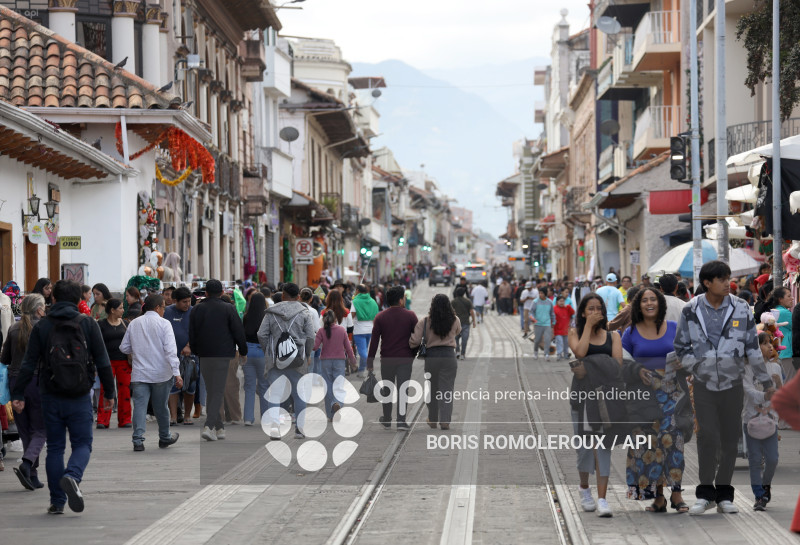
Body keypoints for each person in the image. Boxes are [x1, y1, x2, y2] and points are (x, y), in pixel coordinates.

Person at [673, 260, 775, 515]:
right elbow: (681, 346)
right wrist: (696, 367)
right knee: (707, 436)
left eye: (728, 278)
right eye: (721, 279)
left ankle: (724, 495)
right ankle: (705, 494)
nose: (727, 283)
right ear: (707, 282)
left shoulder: (740, 307)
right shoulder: (691, 309)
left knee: (730, 439)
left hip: (733, 384)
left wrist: (765, 381)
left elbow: (752, 347)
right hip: (704, 384)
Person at [11, 280, 116, 515]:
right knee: (82, 444)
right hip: (79, 395)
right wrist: (109, 393)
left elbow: (28, 363)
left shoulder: (43, 326)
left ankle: (57, 501)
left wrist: (18, 393)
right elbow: (103, 360)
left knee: (56, 448)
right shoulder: (88, 323)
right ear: (80, 300)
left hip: (50, 394)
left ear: (54, 300)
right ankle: (73, 476)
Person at [621, 287, 689, 513]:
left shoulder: (672, 328)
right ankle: (659, 497)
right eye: (644, 300)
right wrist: (637, 370)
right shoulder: (630, 333)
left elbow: (688, 353)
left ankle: (677, 495)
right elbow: (621, 362)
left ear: (660, 303)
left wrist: (682, 362)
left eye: (653, 299)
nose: (649, 303)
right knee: (653, 445)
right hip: (644, 396)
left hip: (672, 393)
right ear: (637, 306)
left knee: (674, 441)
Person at [567, 293, 622, 518]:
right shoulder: (575, 333)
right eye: (590, 309)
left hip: (605, 399)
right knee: (584, 447)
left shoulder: (613, 336)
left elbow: (617, 366)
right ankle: (584, 488)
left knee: (603, 447)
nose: (595, 312)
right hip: (581, 399)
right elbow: (579, 351)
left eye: (598, 308)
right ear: (582, 312)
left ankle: (602, 498)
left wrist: (589, 365)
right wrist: (588, 327)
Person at [119, 294, 181, 451]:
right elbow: (170, 351)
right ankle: (165, 437)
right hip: (161, 373)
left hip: (140, 372)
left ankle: (138, 440)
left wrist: (139, 348)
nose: (164, 311)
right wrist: (177, 372)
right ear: (157, 308)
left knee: (140, 406)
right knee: (161, 407)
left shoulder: (134, 324)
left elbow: (124, 347)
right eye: (163, 308)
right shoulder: (164, 324)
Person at [189, 279, 248, 442]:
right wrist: (243, 351)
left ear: (205, 293)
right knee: (217, 390)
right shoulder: (228, 308)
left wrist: (195, 350)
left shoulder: (197, 309)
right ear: (222, 293)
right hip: (223, 355)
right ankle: (209, 426)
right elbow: (238, 331)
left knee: (211, 389)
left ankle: (220, 427)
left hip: (205, 354)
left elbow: (192, 333)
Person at [258, 282, 316, 440]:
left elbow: (261, 334)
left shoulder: (271, 313)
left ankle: (275, 429)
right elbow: (311, 336)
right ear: (298, 296)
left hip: (275, 359)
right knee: (299, 394)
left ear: (282, 295)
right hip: (297, 359)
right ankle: (300, 429)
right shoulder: (305, 313)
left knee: (275, 394)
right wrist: (308, 354)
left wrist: (268, 351)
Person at [1, 294, 47, 490]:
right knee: (41, 429)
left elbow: (4, 358)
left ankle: (32, 473)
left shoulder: (13, 328)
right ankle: (28, 462)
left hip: (15, 382)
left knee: (25, 429)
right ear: (38, 310)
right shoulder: (43, 329)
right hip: (36, 381)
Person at [367, 285, 419, 429]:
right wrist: (413, 354)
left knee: (387, 389)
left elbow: (374, 341)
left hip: (387, 359)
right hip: (405, 359)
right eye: (404, 297)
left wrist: (370, 362)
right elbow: (417, 338)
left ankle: (387, 418)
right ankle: (401, 420)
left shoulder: (380, 317)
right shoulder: (410, 316)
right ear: (401, 300)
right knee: (403, 389)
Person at [742, 332, 782, 511]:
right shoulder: (747, 368)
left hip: (770, 420)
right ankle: (759, 495)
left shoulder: (776, 368)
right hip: (750, 419)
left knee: (772, 458)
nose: (770, 346)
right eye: (764, 344)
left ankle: (766, 485)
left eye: (770, 343)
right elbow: (748, 391)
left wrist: (779, 384)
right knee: (755, 460)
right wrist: (765, 395)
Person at [410, 294, 461, 431]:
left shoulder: (425, 321)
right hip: (449, 356)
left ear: (432, 306)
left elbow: (414, 341)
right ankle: (445, 421)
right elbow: (458, 331)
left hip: (432, 357)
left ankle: (432, 419)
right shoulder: (455, 319)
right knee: (446, 390)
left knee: (432, 389)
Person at [96, 299, 132, 429]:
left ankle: (125, 419)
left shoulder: (125, 323)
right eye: (121, 308)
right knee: (105, 390)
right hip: (107, 362)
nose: (123, 310)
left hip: (123, 361)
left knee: (125, 390)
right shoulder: (101, 324)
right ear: (112, 310)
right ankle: (102, 419)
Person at [314, 309, 356, 420]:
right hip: (339, 361)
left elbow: (315, 347)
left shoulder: (321, 331)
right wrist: (353, 361)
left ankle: (330, 415)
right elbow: (348, 347)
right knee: (338, 386)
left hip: (325, 361)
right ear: (336, 319)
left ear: (323, 319)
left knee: (327, 387)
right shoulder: (342, 330)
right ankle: (337, 402)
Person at [164, 287, 197, 426]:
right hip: (172, 356)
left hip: (191, 356)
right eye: (184, 302)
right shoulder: (167, 312)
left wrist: (189, 345)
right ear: (175, 300)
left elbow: (198, 331)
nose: (187, 304)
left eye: (189, 301)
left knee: (190, 385)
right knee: (173, 386)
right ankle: (173, 416)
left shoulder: (194, 311)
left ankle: (188, 414)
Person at [242, 292, 269, 425]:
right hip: (262, 352)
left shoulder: (246, 317)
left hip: (248, 351)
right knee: (264, 386)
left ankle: (248, 418)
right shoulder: (267, 317)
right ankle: (265, 417)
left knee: (249, 387)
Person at [766, 287, 795, 383]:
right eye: (789, 296)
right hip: (787, 351)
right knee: (790, 381)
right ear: (780, 299)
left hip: (781, 351)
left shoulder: (776, 311)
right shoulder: (784, 312)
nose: (792, 298)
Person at [351, 284, 379, 377]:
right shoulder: (372, 301)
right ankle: (361, 371)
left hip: (359, 330)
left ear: (358, 290)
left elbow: (352, 315)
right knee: (364, 351)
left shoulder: (355, 301)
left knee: (363, 353)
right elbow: (376, 316)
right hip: (370, 330)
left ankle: (369, 367)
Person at [530, 289, 556, 360]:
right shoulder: (535, 302)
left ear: (545, 294)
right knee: (537, 340)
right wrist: (532, 318)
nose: (540, 294)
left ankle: (546, 354)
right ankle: (535, 352)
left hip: (547, 323)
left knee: (547, 339)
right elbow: (531, 312)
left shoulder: (549, 302)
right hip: (538, 323)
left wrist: (553, 322)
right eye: (539, 293)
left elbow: (552, 313)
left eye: (541, 293)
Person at [451, 287, 477, 360]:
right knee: (464, 339)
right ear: (464, 293)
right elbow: (471, 311)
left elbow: (450, 312)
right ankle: (463, 353)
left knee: (455, 338)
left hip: (455, 323)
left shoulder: (453, 301)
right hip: (465, 323)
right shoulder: (467, 301)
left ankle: (457, 351)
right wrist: (474, 321)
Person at [553, 296, 575, 360]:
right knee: (560, 342)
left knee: (566, 343)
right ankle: (559, 354)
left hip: (566, 329)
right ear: (557, 302)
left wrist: (569, 307)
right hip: (557, 329)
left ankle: (566, 354)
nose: (562, 303)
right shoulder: (554, 308)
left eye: (563, 301)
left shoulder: (567, 308)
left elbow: (573, 313)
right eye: (560, 301)